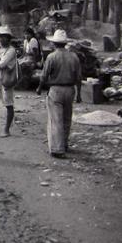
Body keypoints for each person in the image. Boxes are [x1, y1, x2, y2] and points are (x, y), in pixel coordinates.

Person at [37, 29, 81, 158]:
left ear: (55, 43)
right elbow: (78, 77)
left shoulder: (52, 57)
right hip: (70, 89)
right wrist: (79, 94)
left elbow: (44, 75)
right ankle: (64, 144)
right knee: (67, 118)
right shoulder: (74, 56)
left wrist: (40, 87)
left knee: (55, 119)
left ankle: (57, 148)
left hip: (56, 89)